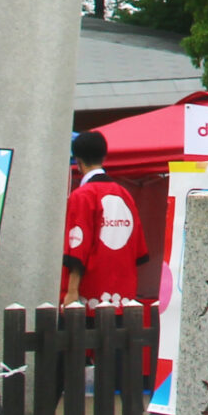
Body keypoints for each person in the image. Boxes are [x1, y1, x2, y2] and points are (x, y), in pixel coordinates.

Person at [60, 130, 148, 305]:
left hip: (91, 292)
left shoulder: (82, 196)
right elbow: (138, 248)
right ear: (104, 157)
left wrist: (71, 292)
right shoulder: (124, 194)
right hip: (124, 295)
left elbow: (78, 246)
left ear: (77, 160)